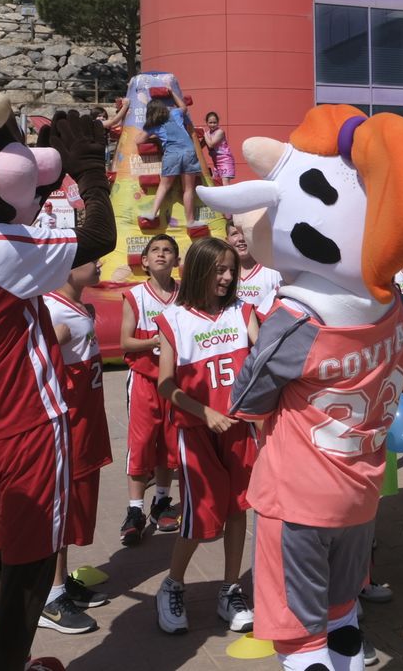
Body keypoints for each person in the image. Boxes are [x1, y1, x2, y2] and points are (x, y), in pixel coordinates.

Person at [154, 238, 259, 635]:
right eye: (219, 269)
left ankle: (230, 589)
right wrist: (205, 411)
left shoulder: (241, 311)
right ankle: (172, 584)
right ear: (199, 269)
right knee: (199, 516)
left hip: (238, 429)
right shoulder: (174, 319)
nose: (228, 277)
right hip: (197, 429)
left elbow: (264, 357)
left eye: (231, 270)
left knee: (237, 508)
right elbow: (166, 385)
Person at [39, 260, 112, 635]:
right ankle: (49, 597)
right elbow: (36, 367)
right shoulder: (52, 309)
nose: (99, 263)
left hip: (86, 419)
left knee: (74, 507)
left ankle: (60, 581)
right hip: (68, 424)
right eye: (90, 259)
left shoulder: (79, 305)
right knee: (61, 507)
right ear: (66, 268)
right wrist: (55, 341)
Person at [119, 234, 182, 545]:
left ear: (176, 261)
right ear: (144, 260)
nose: (161, 254)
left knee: (169, 442)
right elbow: (125, 342)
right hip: (144, 378)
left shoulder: (185, 294)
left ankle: (160, 502)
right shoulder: (135, 295)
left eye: (168, 250)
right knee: (142, 441)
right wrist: (155, 341)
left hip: (173, 380)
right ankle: (134, 510)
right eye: (155, 250)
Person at [141, 90, 203, 229]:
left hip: (172, 153)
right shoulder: (174, 114)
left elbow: (138, 140)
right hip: (188, 151)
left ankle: (152, 212)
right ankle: (190, 221)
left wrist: (154, 137)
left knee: (163, 186)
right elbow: (184, 107)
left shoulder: (153, 125)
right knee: (188, 189)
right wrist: (172, 92)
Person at [227, 223, 282, 318]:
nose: (241, 238)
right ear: (227, 240)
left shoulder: (274, 271)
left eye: (245, 232)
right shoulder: (221, 275)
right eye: (235, 234)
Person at [204, 111, 236, 181]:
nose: (212, 125)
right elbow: (200, 146)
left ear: (218, 122)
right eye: (210, 123)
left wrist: (203, 134)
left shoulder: (220, 132)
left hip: (225, 160)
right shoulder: (207, 134)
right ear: (206, 123)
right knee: (217, 183)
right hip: (216, 162)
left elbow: (211, 144)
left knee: (225, 184)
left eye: (214, 122)